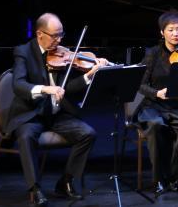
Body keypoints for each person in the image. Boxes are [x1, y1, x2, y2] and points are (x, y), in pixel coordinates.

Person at [9, 13, 109, 205]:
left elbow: (68, 88)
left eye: (61, 35)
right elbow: (18, 85)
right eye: (54, 36)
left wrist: (90, 73)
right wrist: (46, 89)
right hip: (32, 114)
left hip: (57, 114)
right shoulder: (23, 52)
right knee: (26, 136)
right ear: (39, 34)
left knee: (87, 134)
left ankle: (66, 182)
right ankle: (35, 189)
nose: (59, 40)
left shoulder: (62, 54)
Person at [134, 9, 178, 195]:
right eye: (170, 30)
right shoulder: (153, 54)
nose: (175, 34)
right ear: (162, 32)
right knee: (156, 126)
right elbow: (139, 84)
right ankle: (159, 179)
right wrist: (157, 93)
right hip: (153, 106)